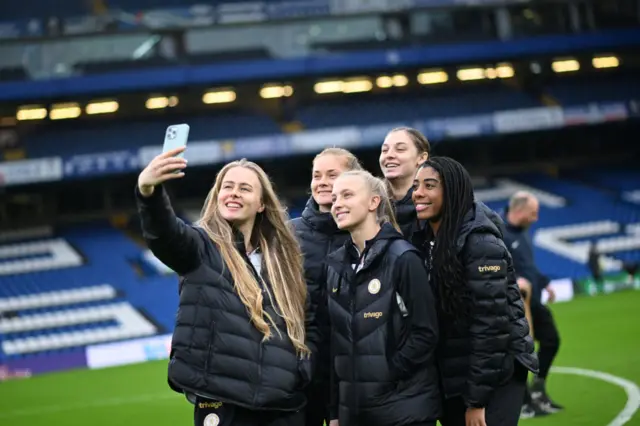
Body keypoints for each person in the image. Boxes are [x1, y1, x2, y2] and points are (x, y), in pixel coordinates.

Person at [135, 147, 320, 426]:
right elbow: (165, 234)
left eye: (244, 188)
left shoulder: (284, 261)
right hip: (225, 405)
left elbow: (306, 323)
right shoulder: (200, 246)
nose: (233, 193)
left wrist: (302, 369)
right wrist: (149, 192)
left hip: (283, 405)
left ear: (261, 204)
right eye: (227, 186)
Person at [411, 157, 538, 426]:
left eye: (429, 185)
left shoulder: (480, 242)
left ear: (453, 191)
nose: (418, 193)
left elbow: (491, 326)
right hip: (457, 372)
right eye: (416, 186)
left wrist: (477, 400)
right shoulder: (425, 239)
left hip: (495, 375)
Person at [325, 170, 441, 426]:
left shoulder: (404, 258)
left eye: (347, 195)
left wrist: (387, 372)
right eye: (334, 199)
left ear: (373, 202)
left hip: (403, 412)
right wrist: (334, 411)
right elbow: (338, 344)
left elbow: (425, 333)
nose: (337, 204)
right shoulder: (334, 266)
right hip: (353, 415)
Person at [290, 148, 364, 426]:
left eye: (332, 175)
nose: (322, 181)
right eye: (316, 175)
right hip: (299, 376)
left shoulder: (371, 234)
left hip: (354, 377)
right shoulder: (287, 235)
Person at [502, 191, 564, 416]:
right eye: (533, 213)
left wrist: (544, 282)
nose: (536, 218)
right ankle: (524, 401)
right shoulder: (499, 232)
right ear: (519, 210)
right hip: (514, 306)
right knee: (519, 351)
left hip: (534, 301)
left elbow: (529, 266)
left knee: (551, 340)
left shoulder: (524, 233)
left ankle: (538, 390)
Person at [379, 127, 430, 238]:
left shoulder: (438, 203)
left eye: (400, 149)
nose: (389, 155)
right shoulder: (371, 205)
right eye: (384, 150)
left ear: (421, 158)